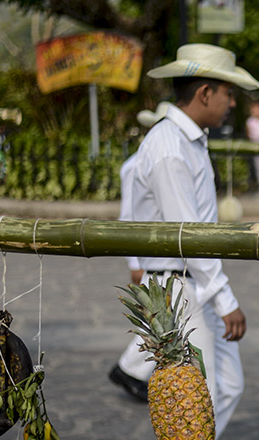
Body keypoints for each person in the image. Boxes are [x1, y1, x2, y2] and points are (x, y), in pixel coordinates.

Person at [128, 43, 258, 440]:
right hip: (176, 286)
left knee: (226, 386)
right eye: (228, 93)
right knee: (193, 397)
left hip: (193, 280)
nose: (233, 104)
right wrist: (225, 298)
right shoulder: (168, 146)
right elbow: (189, 235)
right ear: (204, 92)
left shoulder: (190, 140)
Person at [108, 102, 173, 403]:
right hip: (151, 254)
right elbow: (129, 216)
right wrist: (134, 260)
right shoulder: (136, 165)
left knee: (160, 316)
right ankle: (129, 369)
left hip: (161, 252)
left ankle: (131, 369)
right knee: (158, 316)